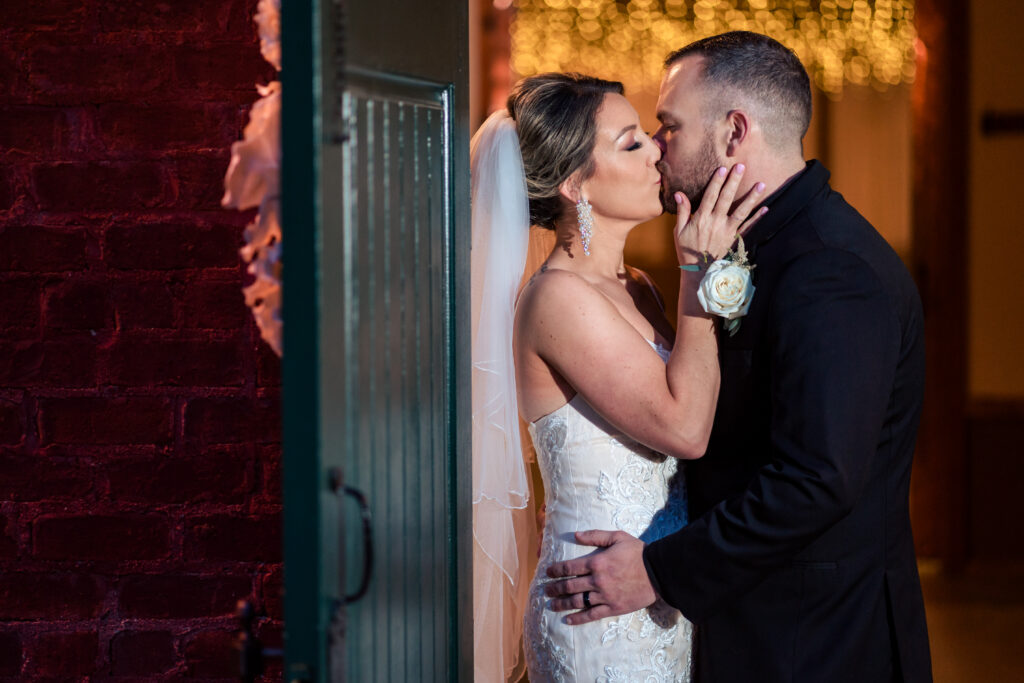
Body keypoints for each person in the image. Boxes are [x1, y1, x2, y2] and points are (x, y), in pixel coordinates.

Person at [543, 32, 933, 682]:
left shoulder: (829, 268)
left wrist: (659, 569)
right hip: (750, 629)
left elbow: (817, 479)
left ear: (733, 134)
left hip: (815, 645)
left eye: (668, 127)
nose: (659, 149)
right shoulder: (742, 242)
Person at [470, 73, 766, 681]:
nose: (658, 148)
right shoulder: (557, 299)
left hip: (654, 589)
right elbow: (685, 430)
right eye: (631, 143)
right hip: (596, 610)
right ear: (575, 183)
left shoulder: (638, 287)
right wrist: (697, 271)